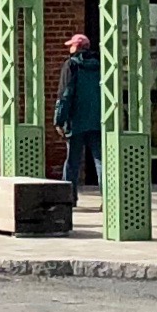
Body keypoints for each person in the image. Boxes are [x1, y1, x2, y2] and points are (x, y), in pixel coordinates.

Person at [53, 33, 101, 198]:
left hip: (76, 121)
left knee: (72, 162)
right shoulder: (100, 65)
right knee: (100, 161)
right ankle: (108, 199)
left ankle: (68, 197)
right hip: (97, 120)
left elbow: (65, 94)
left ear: (77, 48)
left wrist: (59, 120)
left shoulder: (71, 65)